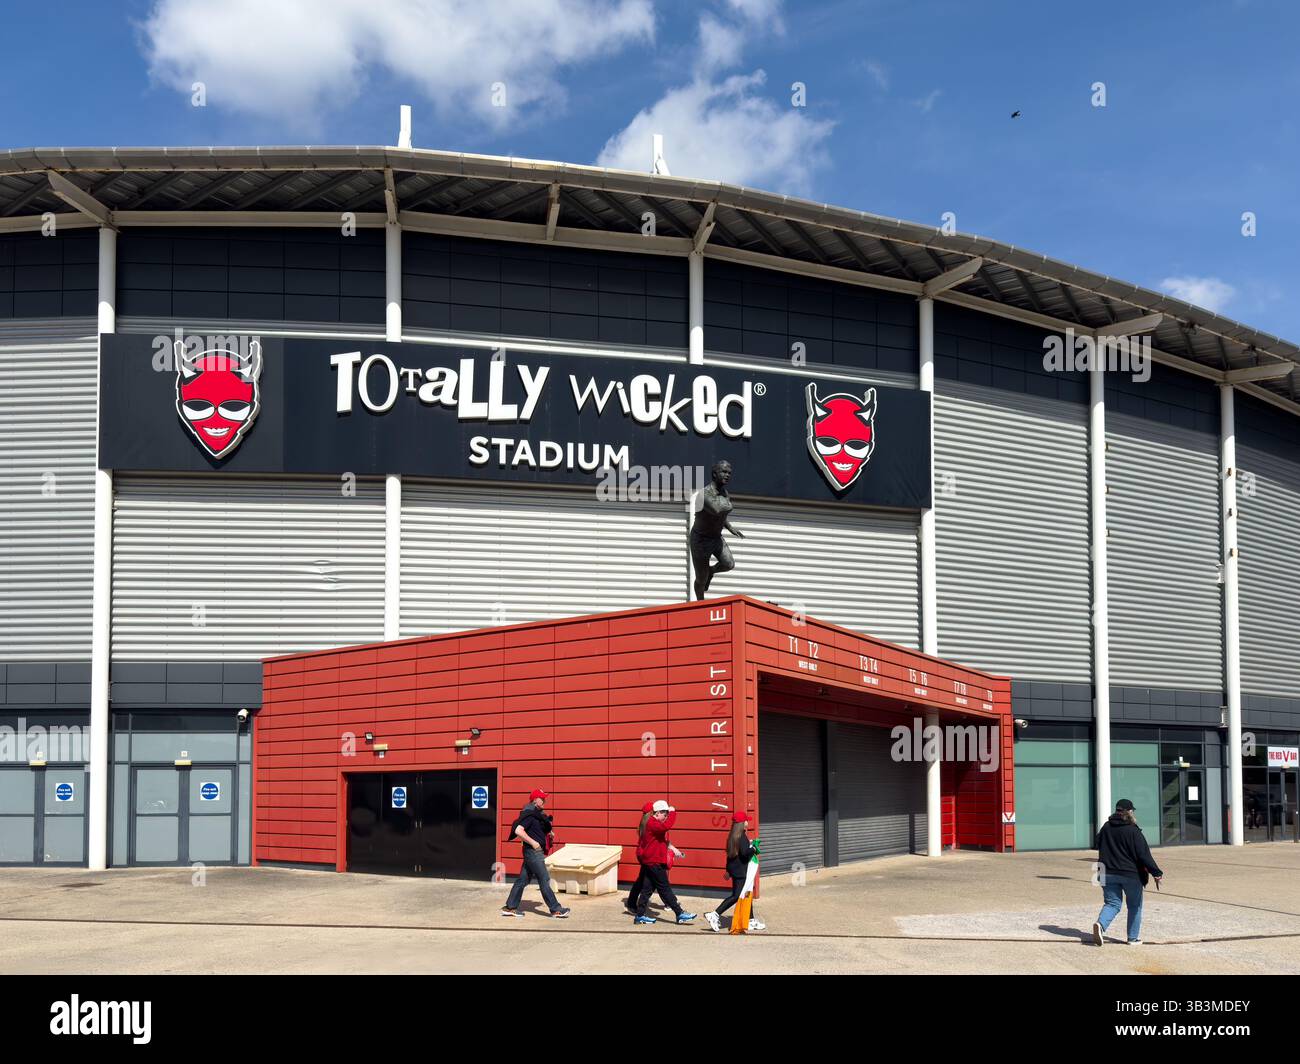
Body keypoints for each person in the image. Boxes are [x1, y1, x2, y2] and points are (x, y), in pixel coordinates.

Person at [1092, 798, 1162, 946]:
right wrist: (1156, 872)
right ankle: (1132, 938)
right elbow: (1143, 854)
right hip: (1130, 874)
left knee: (1112, 903)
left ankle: (1100, 925)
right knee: (1134, 905)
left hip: (1106, 872)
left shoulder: (1106, 826)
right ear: (1129, 811)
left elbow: (1096, 843)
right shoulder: (1133, 829)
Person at [502, 789, 571, 918]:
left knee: (522, 880)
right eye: (542, 798)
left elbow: (534, 829)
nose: (545, 800)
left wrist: (548, 833)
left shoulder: (536, 814)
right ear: (535, 800)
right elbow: (518, 830)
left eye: (545, 798)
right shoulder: (529, 814)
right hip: (533, 852)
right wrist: (533, 842)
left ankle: (509, 907)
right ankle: (556, 909)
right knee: (544, 879)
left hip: (531, 853)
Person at [633, 801, 697, 925]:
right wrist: (673, 812)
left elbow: (662, 840)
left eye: (668, 814)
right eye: (665, 814)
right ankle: (680, 913)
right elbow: (667, 826)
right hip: (654, 862)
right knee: (665, 888)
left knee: (647, 890)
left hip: (651, 861)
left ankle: (640, 916)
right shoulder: (652, 823)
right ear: (657, 813)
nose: (666, 816)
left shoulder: (651, 822)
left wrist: (673, 849)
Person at [690, 460, 744, 599]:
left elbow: (722, 515)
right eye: (724, 472)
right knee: (701, 579)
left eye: (729, 473)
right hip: (700, 540)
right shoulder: (704, 494)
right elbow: (716, 510)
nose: (727, 475)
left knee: (729, 564)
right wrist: (730, 506)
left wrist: (730, 527)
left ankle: (711, 571)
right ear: (714, 474)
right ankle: (700, 603)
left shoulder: (724, 493)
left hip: (715, 538)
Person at [707, 812, 764, 932]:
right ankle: (715, 914)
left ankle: (751, 920)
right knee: (736, 896)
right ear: (742, 823)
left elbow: (730, 856)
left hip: (735, 870)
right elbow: (744, 854)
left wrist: (728, 870)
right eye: (746, 821)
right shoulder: (742, 837)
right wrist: (753, 848)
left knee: (748, 893)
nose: (748, 822)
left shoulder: (733, 836)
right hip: (741, 872)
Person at [624, 801, 655, 915]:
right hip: (646, 856)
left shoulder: (643, 823)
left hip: (642, 855)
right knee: (652, 882)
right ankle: (636, 905)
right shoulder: (650, 824)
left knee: (641, 880)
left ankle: (632, 903)